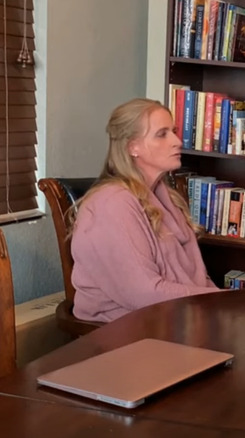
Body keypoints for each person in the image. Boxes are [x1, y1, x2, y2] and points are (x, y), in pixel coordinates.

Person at [71, 98, 222, 323]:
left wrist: (227, 303)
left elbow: (199, 278)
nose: (177, 141)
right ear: (133, 147)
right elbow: (142, 293)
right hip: (125, 333)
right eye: (162, 134)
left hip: (175, 320)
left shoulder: (166, 198)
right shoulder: (111, 204)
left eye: (174, 131)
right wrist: (224, 300)